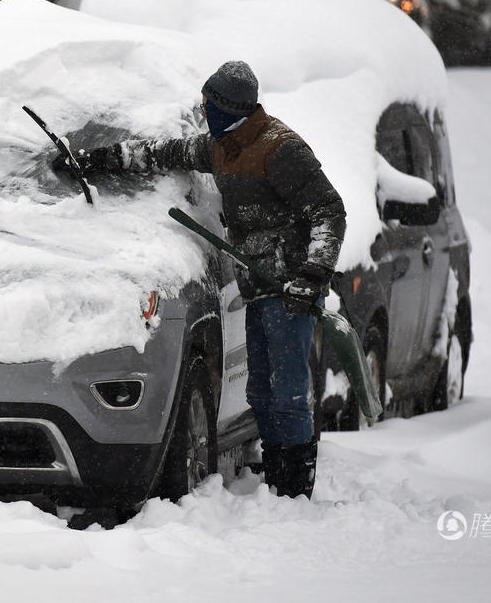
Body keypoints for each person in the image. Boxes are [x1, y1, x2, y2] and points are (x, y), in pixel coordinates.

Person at [57, 60, 346, 499]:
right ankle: (276, 478)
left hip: (289, 289)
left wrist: (313, 275)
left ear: (230, 109)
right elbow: (162, 152)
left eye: (209, 104)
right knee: (261, 392)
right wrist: (99, 160)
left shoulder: (280, 149)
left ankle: (295, 486)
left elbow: (330, 211)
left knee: (287, 393)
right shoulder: (222, 147)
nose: (203, 109)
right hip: (256, 286)